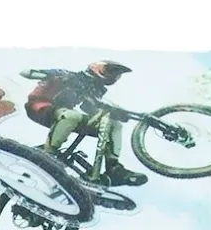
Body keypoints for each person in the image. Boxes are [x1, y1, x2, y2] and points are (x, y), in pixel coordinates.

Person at [19, 61, 148, 186]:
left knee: (114, 124)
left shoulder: (95, 90)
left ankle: (113, 168)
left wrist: (118, 113)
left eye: (116, 75)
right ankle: (49, 153)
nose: (113, 76)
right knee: (72, 116)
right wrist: (52, 76)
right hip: (40, 106)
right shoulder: (68, 75)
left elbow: (90, 108)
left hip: (64, 115)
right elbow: (26, 73)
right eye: (111, 71)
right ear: (97, 68)